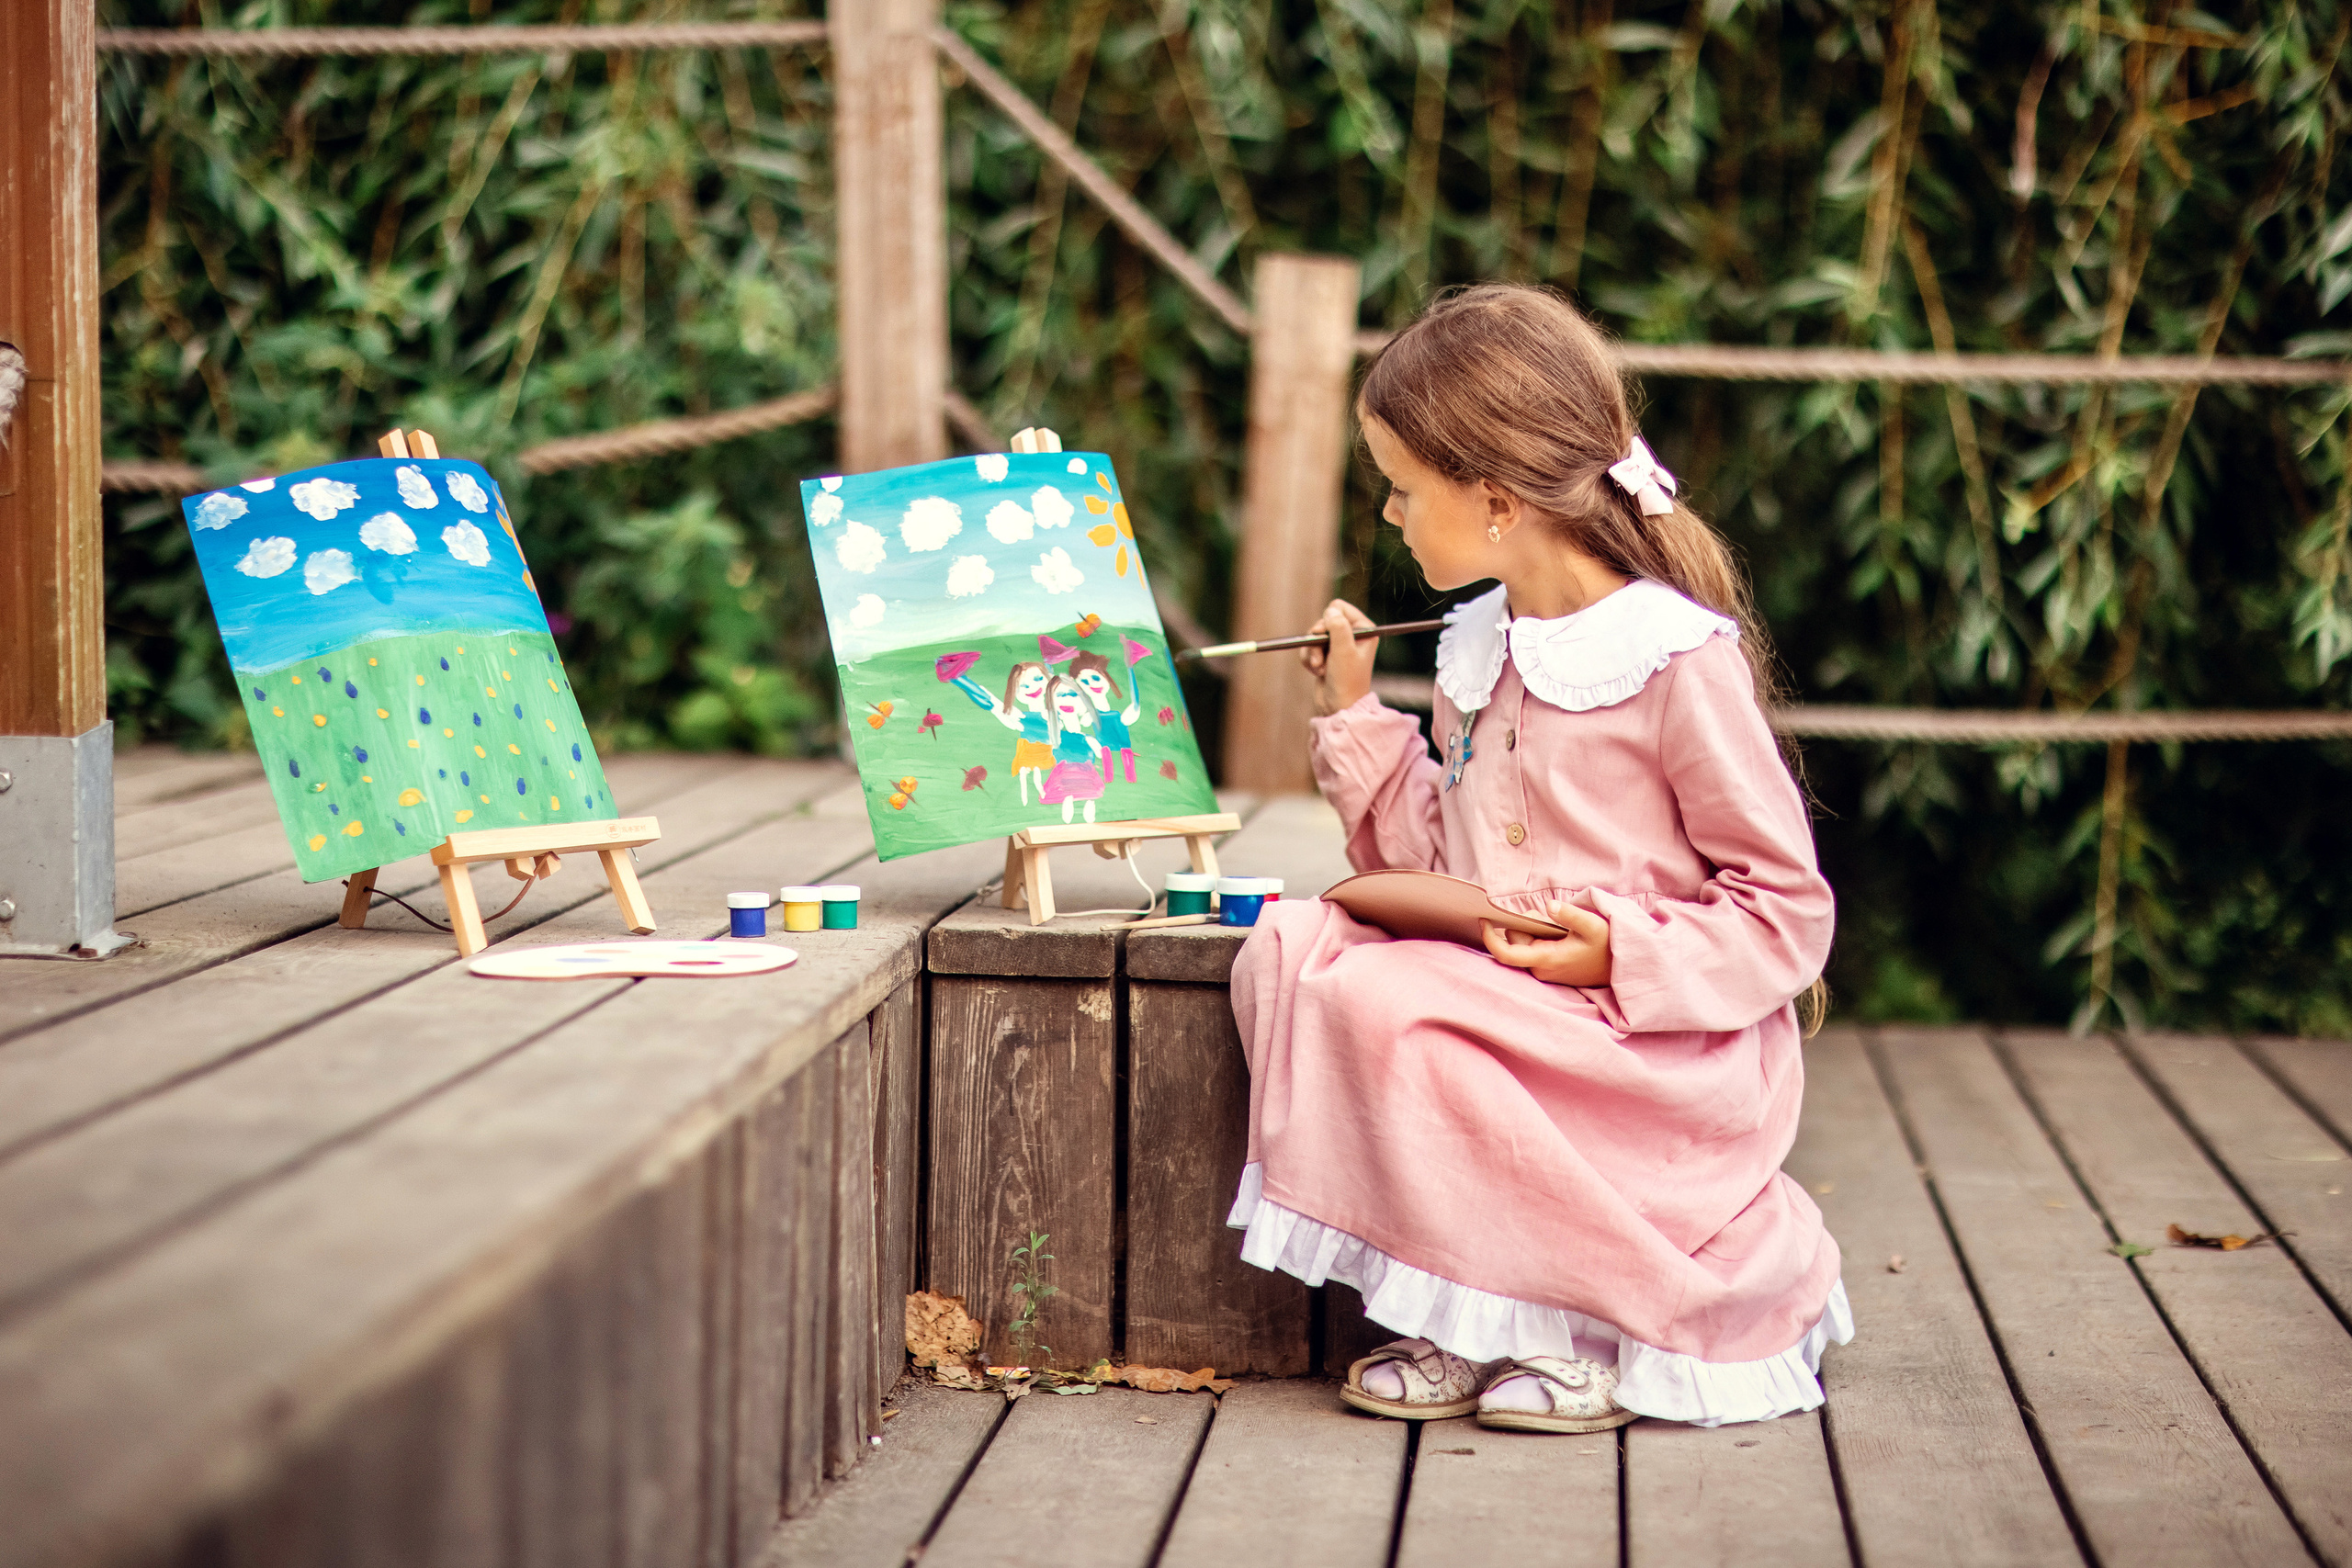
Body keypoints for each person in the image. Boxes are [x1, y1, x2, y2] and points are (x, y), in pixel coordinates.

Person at [1228, 284, 1847, 1434]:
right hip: (1516, 997)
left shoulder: (1670, 659)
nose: (1390, 512)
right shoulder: (1482, 645)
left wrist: (1619, 950)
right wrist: (1358, 712)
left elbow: (1784, 911)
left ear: (1499, 502)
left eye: (1405, 488)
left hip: (1642, 1036)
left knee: (1398, 1004)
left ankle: (1577, 1320)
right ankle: (1478, 1305)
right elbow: (1438, 863)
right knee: (1296, 952)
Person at [1036, 672, 1107, 824]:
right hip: (1066, 771)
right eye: (1061, 695)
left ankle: (1088, 822)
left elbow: (1100, 754)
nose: (1067, 699)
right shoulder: (1055, 732)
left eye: (1072, 694)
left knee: (1089, 797)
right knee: (1068, 798)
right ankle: (1068, 825)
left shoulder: (1085, 734)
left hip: (1085, 770)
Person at [1069, 651, 1142, 785]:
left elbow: (1135, 707)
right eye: (1085, 682)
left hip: (1123, 743)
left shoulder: (1116, 714)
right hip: (1105, 746)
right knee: (1108, 766)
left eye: (1096, 679)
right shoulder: (1091, 714)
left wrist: (1131, 670)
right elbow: (1083, 722)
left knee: (1127, 761)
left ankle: (1129, 780)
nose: (1092, 684)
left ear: (1105, 677)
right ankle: (1110, 780)